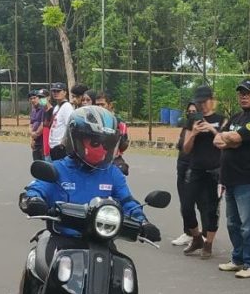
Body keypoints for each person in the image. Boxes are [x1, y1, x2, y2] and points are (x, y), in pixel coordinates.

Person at [19, 105, 161, 245]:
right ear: (76, 139)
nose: (102, 148)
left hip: (101, 242)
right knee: (42, 257)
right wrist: (33, 200)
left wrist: (143, 222)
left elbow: (127, 202)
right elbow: (35, 190)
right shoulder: (58, 169)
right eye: (95, 142)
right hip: (61, 240)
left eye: (106, 143)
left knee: (122, 262)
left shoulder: (113, 173)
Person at [213, 79, 250, 278]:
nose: (243, 97)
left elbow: (235, 138)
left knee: (248, 225)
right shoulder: (236, 117)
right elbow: (217, 139)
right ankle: (238, 259)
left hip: (248, 179)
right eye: (241, 94)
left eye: (248, 94)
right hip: (230, 178)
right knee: (233, 223)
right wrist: (231, 139)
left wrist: (231, 138)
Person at [181, 85, 225, 259]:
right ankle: (197, 237)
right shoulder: (193, 120)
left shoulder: (222, 119)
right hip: (196, 168)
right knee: (186, 206)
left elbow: (224, 142)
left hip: (215, 169)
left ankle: (208, 243)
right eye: (199, 102)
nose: (202, 105)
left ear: (212, 100)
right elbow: (186, 149)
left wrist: (212, 129)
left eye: (205, 101)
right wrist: (194, 133)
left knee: (212, 208)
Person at [171, 102, 202, 247]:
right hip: (182, 167)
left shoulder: (202, 128)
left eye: (194, 111)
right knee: (184, 203)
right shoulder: (185, 127)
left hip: (195, 168)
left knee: (201, 203)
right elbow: (181, 147)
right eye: (189, 111)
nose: (191, 114)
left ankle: (205, 234)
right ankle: (188, 232)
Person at [96, 91, 130, 175]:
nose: (99, 107)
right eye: (97, 105)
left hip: (113, 158)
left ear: (110, 105)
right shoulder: (92, 121)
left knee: (121, 170)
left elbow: (123, 145)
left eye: (102, 104)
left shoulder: (119, 123)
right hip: (94, 158)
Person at [48, 82, 75, 161]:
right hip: (53, 146)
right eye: (54, 91)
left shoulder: (67, 107)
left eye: (58, 91)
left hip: (60, 146)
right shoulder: (56, 107)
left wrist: (63, 143)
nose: (56, 93)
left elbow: (70, 126)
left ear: (65, 92)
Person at [28, 89, 45, 161]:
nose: (32, 100)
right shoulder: (33, 110)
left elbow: (43, 124)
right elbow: (31, 123)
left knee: (43, 163)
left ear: (39, 98)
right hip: (35, 141)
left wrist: (36, 134)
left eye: (34, 98)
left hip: (42, 142)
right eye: (31, 98)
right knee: (36, 162)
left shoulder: (44, 108)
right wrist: (32, 137)